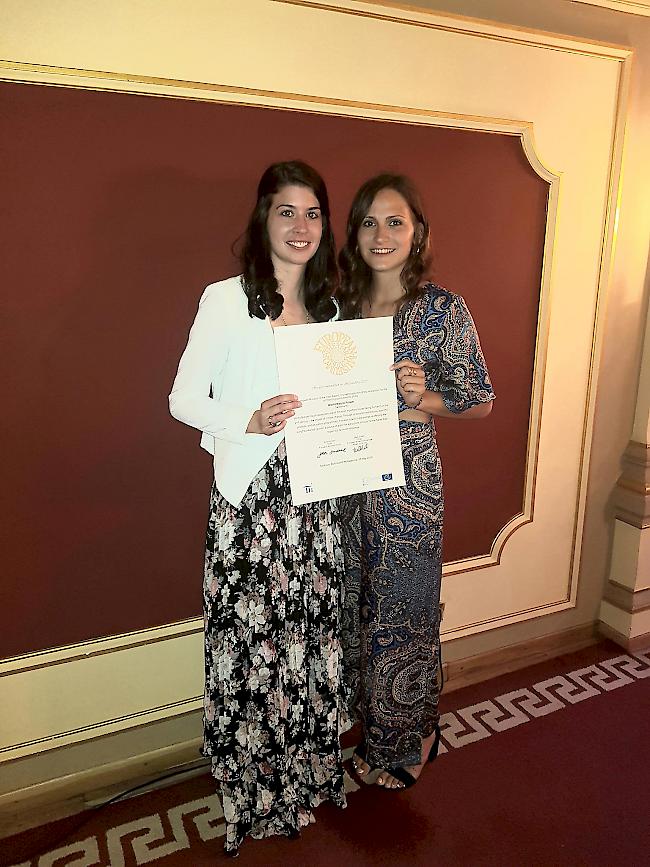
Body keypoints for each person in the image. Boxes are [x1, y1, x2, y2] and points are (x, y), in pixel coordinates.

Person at [169, 161, 350, 855]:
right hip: (251, 506)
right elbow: (181, 398)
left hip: (316, 504)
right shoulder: (225, 300)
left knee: (307, 640)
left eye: (312, 214)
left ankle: (305, 774)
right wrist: (248, 417)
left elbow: (343, 403)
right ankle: (253, 788)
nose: (301, 227)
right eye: (286, 212)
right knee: (253, 649)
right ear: (263, 220)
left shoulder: (336, 310)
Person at [338, 173, 494, 790]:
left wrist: (422, 398)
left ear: (418, 232)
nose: (381, 235)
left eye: (395, 221)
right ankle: (374, 732)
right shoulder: (338, 309)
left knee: (405, 615)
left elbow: (479, 400)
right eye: (369, 222)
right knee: (356, 612)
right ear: (354, 234)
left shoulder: (441, 307)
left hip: (408, 490)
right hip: (343, 487)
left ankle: (411, 739)